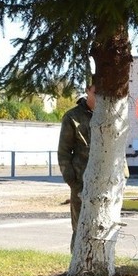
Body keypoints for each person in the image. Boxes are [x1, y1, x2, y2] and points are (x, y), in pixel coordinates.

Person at [57, 83, 95, 251]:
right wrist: (72, 180)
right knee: (80, 228)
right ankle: (78, 266)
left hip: (106, 183)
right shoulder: (73, 117)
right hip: (81, 182)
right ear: (87, 90)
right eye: (96, 92)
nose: (100, 97)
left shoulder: (110, 115)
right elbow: (64, 152)